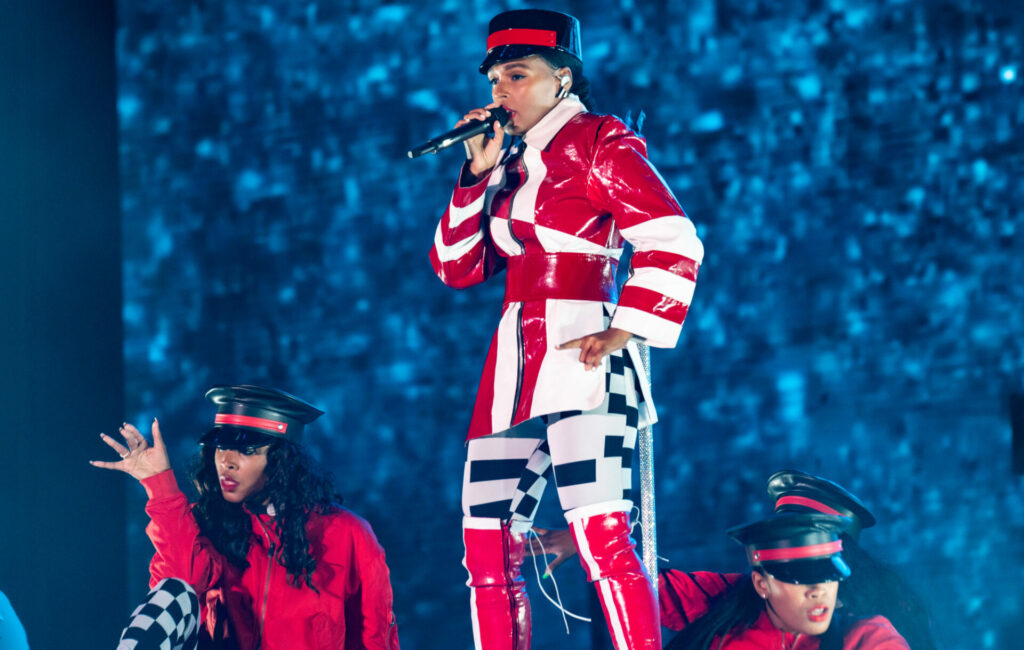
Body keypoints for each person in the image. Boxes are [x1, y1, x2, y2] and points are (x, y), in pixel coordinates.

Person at [428, 8, 703, 650]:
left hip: (582, 354)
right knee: (487, 546)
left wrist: (626, 328)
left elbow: (672, 237)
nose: (500, 91)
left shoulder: (600, 142)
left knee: (601, 533)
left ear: (562, 77)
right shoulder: (507, 162)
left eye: (517, 75)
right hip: (513, 363)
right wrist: (474, 175)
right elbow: (456, 266)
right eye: (495, 78)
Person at [91, 385, 399, 650]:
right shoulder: (205, 521)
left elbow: (375, 639)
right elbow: (179, 585)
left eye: (246, 450)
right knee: (173, 593)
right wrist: (159, 484)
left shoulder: (347, 533)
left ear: (282, 460)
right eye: (220, 448)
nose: (226, 462)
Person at [662, 512, 909, 649]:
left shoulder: (866, 638)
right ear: (761, 584)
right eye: (800, 579)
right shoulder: (726, 601)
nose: (819, 590)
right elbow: (637, 589)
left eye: (829, 574)